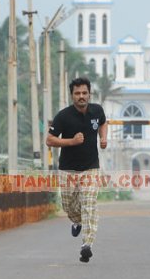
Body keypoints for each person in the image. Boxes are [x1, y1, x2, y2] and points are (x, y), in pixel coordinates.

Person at [46, 76, 107, 263]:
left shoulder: (97, 111)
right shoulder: (63, 116)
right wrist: (71, 142)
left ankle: (86, 245)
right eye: (77, 93)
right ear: (72, 95)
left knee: (89, 204)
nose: (81, 96)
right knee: (69, 206)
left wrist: (103, 138)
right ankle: (77, 221)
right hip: (68, 169)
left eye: (84, 93)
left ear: (89, 94)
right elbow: (50, 139)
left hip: (90, 168)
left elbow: (103, 123)